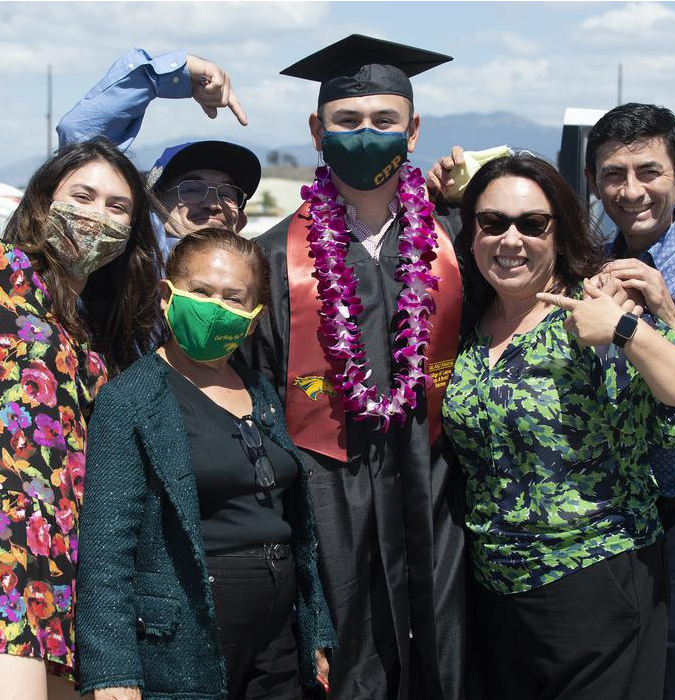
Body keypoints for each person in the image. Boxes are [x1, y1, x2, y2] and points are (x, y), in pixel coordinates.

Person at [244, 35, 470, 700]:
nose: (365, 134)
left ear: (414, 130)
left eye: (384, 121)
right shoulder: (269, 260)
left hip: (437, 500)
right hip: (325, 505)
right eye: (346, 122)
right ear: (317, 131)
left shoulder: (458, 246)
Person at [441, 152, 675, 700]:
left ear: (559, 229)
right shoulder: (470, 320)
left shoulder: (595, 309)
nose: (510, 240)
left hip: (595, 581)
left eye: (532, 224)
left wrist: (628, 329)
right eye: (492, 223)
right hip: (496, 591)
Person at [76, 229, 334, 700]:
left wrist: (313, 629)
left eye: (234, 298)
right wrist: (111, 670)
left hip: (276, 636)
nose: (216, 307)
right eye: (201, 292)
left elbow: (292, 523)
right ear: (166, 295)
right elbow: (105, 547)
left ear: (253, 319)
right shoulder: (130, 399)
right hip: (185, 631)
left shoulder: (259, 390)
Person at [0, 137, 163, 700]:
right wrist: (159, 71)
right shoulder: (7, 274)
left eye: (118, 207)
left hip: (68, 562)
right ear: (44, 201)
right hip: (7, 549)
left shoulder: (105, 334)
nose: (97, 216)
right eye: (83, 195)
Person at [585, 103, 675, 700]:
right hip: (617, 520)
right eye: (613, 174)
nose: (631, 191)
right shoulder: (590, 267)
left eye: (648, 172)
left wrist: (668, 319)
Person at [57, 48, 261, 254]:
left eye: (226, 194)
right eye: (191, 189)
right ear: (154, 207)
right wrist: (165, 77)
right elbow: (82, 139)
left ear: (241, 221)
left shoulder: (257, 276)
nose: (212, 204)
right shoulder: (126, 267)